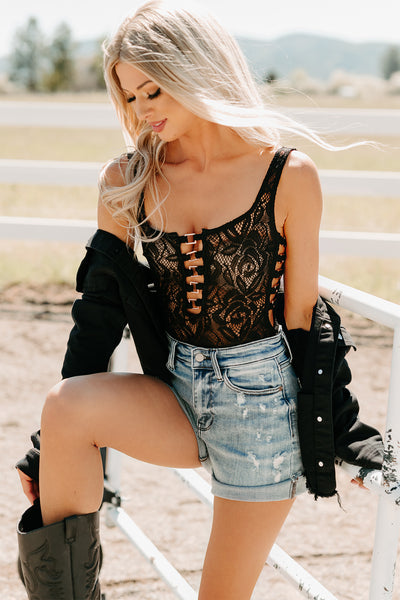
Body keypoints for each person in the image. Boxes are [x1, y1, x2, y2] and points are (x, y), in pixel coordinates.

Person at [16, 1, 383, 599]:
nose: (142, 110)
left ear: (194, 71)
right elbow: (98, 315)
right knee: (66, 409)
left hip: (262, 409)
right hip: (175, 390)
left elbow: (304, 320)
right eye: (130, 96)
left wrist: (342, 427)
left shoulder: (288, 175)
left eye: (154, 90)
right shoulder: (127, 180)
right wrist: (47, 451)